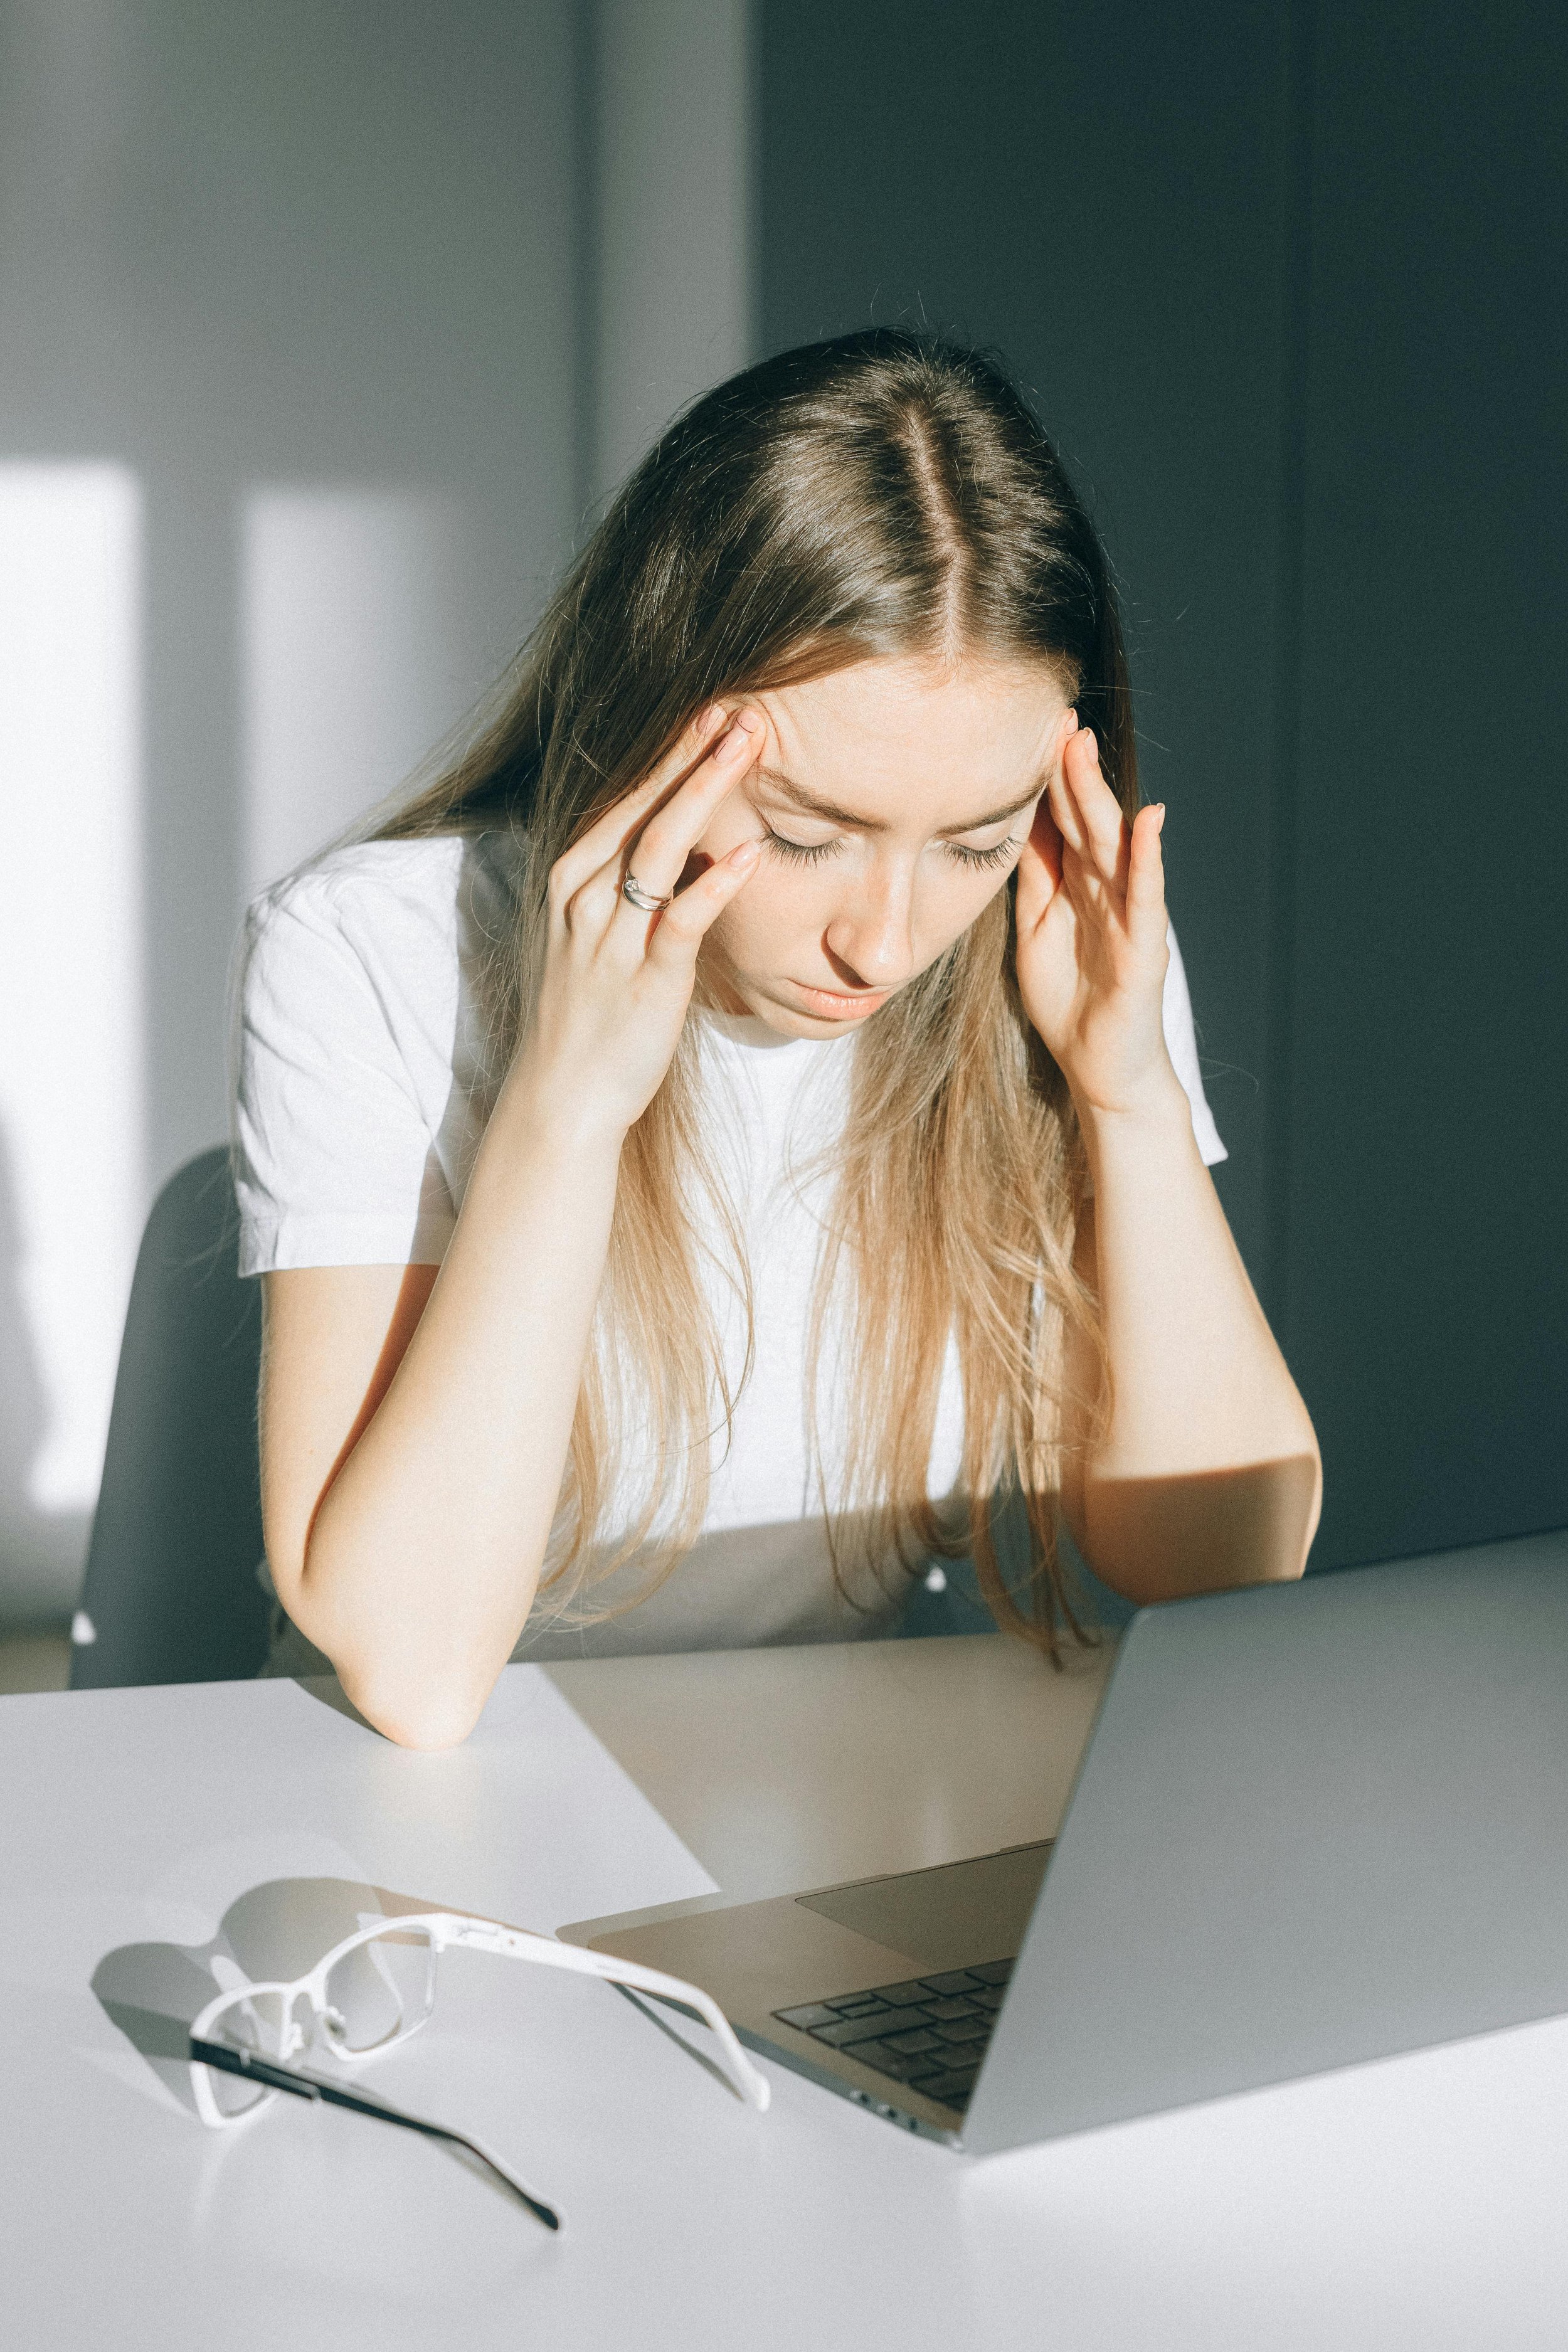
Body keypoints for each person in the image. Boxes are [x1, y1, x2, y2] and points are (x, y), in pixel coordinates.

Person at [234, 330, 1321, 1750]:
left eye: (975, 842)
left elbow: (1223, 1570)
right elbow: (415, 1672)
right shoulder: (372, 949)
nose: (882, 940)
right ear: (652, 736)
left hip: (835, 1775)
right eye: (806, 837)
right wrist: (566, 1105)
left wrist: (1125, 1096)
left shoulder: (1052, 944)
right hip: (423, 1796)